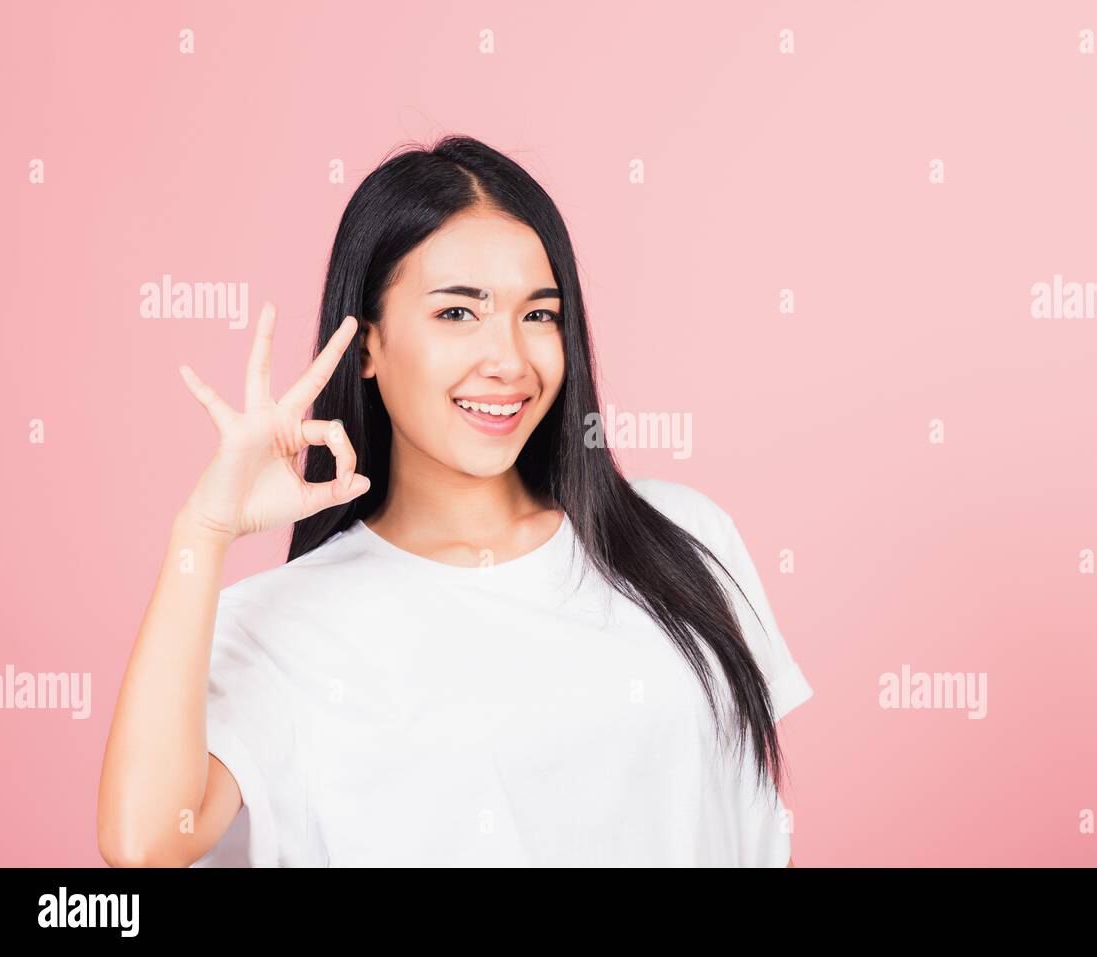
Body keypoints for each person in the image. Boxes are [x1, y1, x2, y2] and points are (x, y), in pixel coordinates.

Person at [97, 135, 814, 867]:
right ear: (366, 344)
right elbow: (145, 838)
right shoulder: (279, 628)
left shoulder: (685, 538)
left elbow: (755, 830)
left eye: (539, 315)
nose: (508, 359)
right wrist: (204, 527)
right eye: (458, 314)